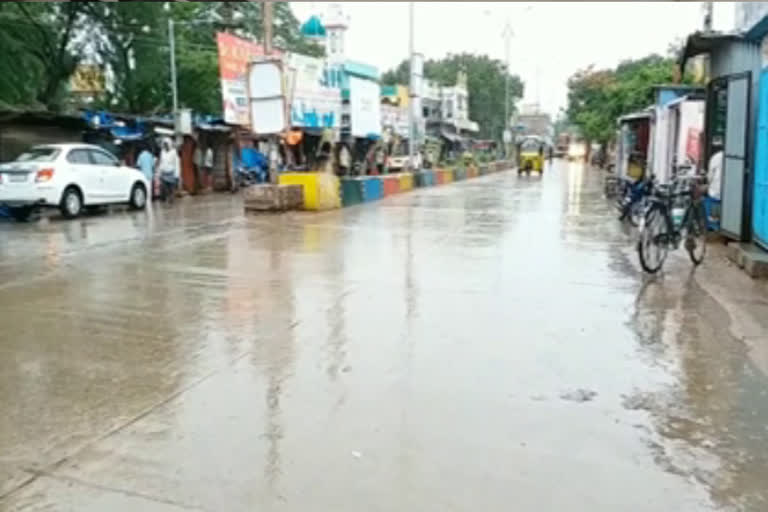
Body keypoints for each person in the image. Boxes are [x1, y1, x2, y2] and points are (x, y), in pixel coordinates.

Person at [157, 139, 179, 204]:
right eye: (164, 144)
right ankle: (167, 200)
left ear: (169, 144)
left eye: (166, 144)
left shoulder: (174, 152)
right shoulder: (162, 152)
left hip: (171, 174)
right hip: (164, 174)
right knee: (164, 188)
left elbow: (176, 163)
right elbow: (161, 162)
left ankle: (171, 201)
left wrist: (177, 175)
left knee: (171, 189)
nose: (165, 146)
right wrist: (159, 173)